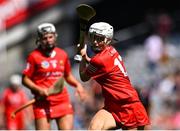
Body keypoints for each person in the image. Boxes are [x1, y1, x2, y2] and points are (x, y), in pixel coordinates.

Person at [79, 22, 150, 130]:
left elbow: (84, 77)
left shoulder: (99, 60)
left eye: (99, 39)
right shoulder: (111, 50)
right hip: (112, 106)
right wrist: (86, 57)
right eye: (93, 37)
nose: (95, 42)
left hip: (128, 106)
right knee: (95, 128)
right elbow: (95, 63)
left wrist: (83, 57)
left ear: (108, 39)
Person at [22, 23, 86, 130]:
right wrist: (38, 90)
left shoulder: (62, 54)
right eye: (45, 38)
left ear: (55, 36)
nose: (48, 40)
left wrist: (78, 85)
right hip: (42, 103)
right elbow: (25, 79)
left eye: (50, 37)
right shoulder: (33, 57)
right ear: (39, 40)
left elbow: (68, 75)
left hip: (62, 101)